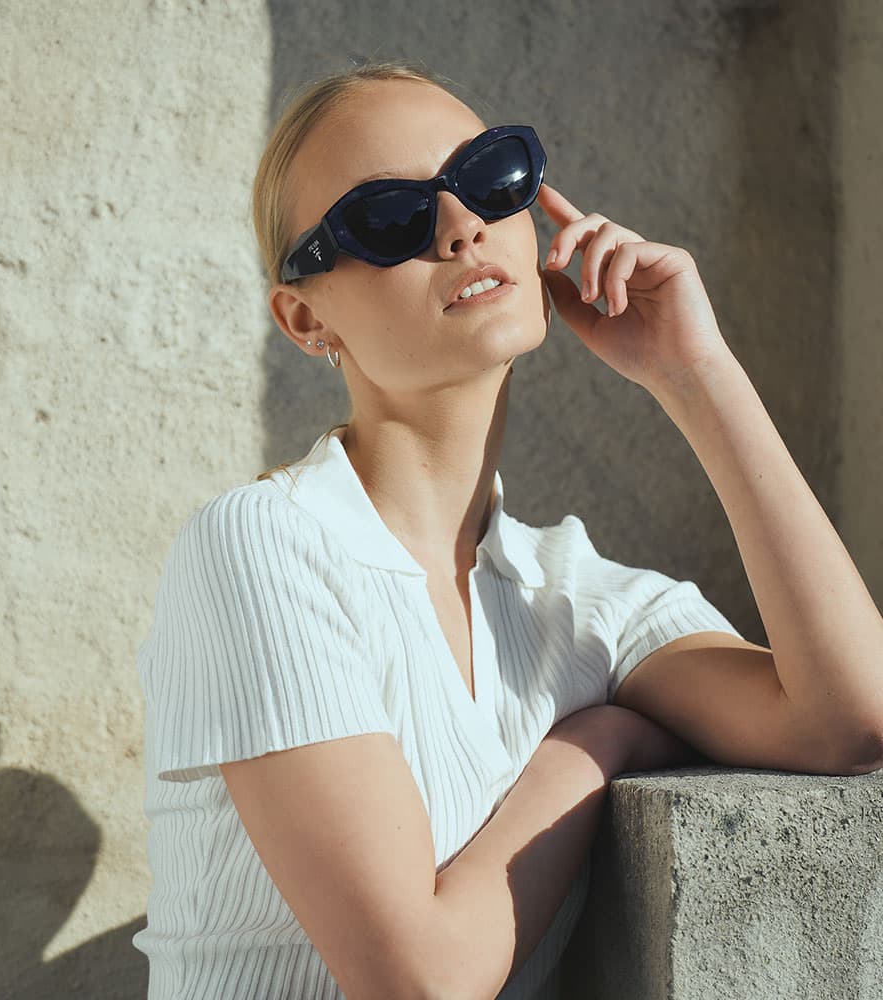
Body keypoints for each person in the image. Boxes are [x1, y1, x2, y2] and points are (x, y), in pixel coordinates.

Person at [133, 60, 883, 1000]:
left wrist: (695, 376)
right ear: (305, 317)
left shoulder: (573, 593)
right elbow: (421, 981)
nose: (459, 225)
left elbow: (851, 718)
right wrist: (593, 747)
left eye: (490, 175)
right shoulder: (260, 545)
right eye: (390, 217)